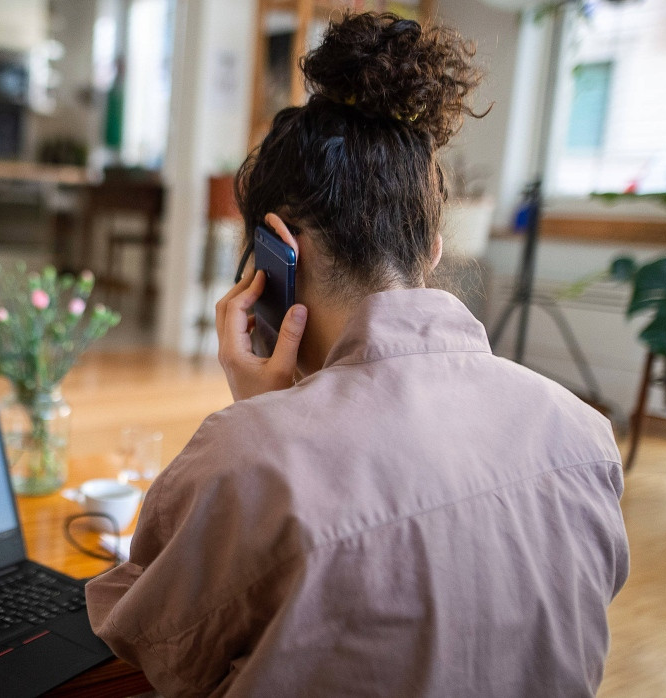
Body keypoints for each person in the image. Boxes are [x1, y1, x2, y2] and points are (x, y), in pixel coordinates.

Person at [85, 12, 629, 697]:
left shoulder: (246, 461)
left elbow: (140, 635)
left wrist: (270, 421)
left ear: (280, 250)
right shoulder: (584, 437)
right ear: (431, 249)